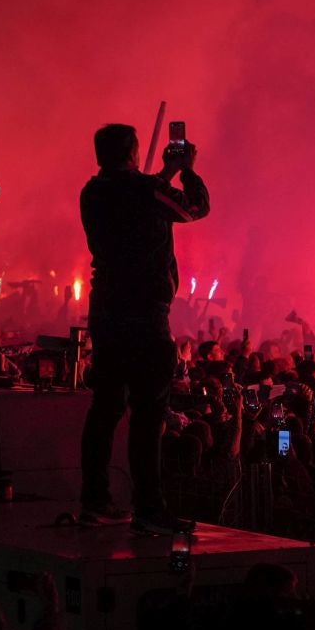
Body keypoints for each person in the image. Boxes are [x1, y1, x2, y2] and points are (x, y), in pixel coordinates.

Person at [78, 123, 210, 532]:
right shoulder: (145, 190)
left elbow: (139, 197)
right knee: (148, 413)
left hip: (107, 310)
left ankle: (95, 500)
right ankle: (149, 509)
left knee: (105, 407)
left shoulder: (93, 192)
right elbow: (194, 208)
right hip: (144, 313)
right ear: (134, 152)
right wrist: (187, 169)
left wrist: (163, 174)